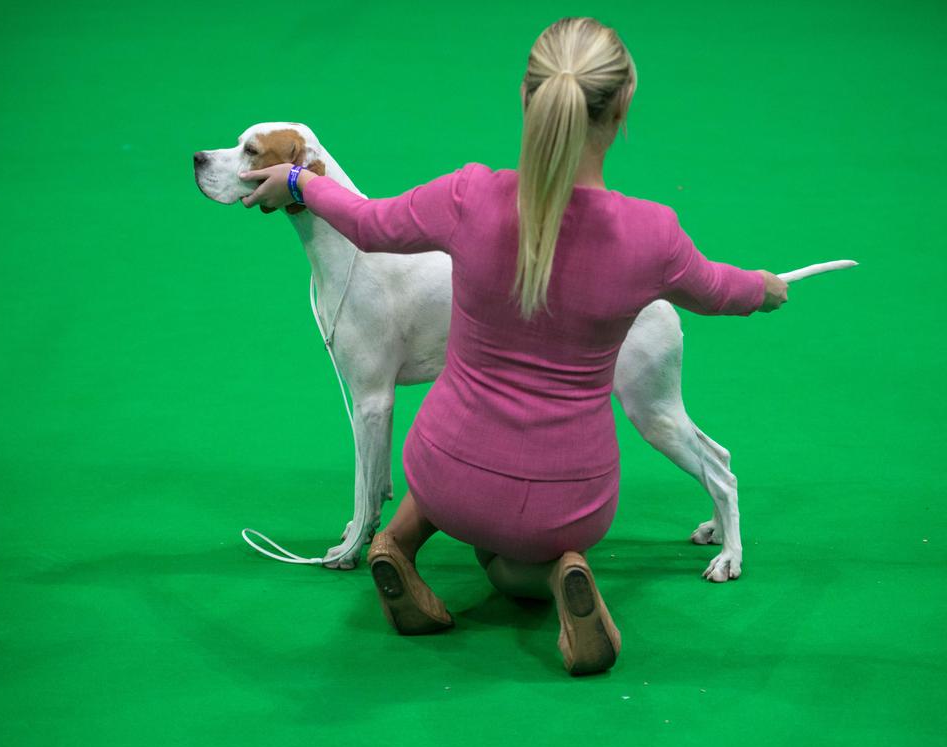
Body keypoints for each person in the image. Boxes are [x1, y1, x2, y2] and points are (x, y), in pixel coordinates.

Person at [238, 16, 788, 675]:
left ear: (526, 99)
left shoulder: (468, 196)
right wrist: (767, 286)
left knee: (451, 486)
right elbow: (721, 288)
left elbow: (368, 222)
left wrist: (299, 183)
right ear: (623, 107)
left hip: (447, 471)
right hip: (572, 496)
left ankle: (396, 543)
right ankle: (560, 576)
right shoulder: (653, 234)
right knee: (518, 561)